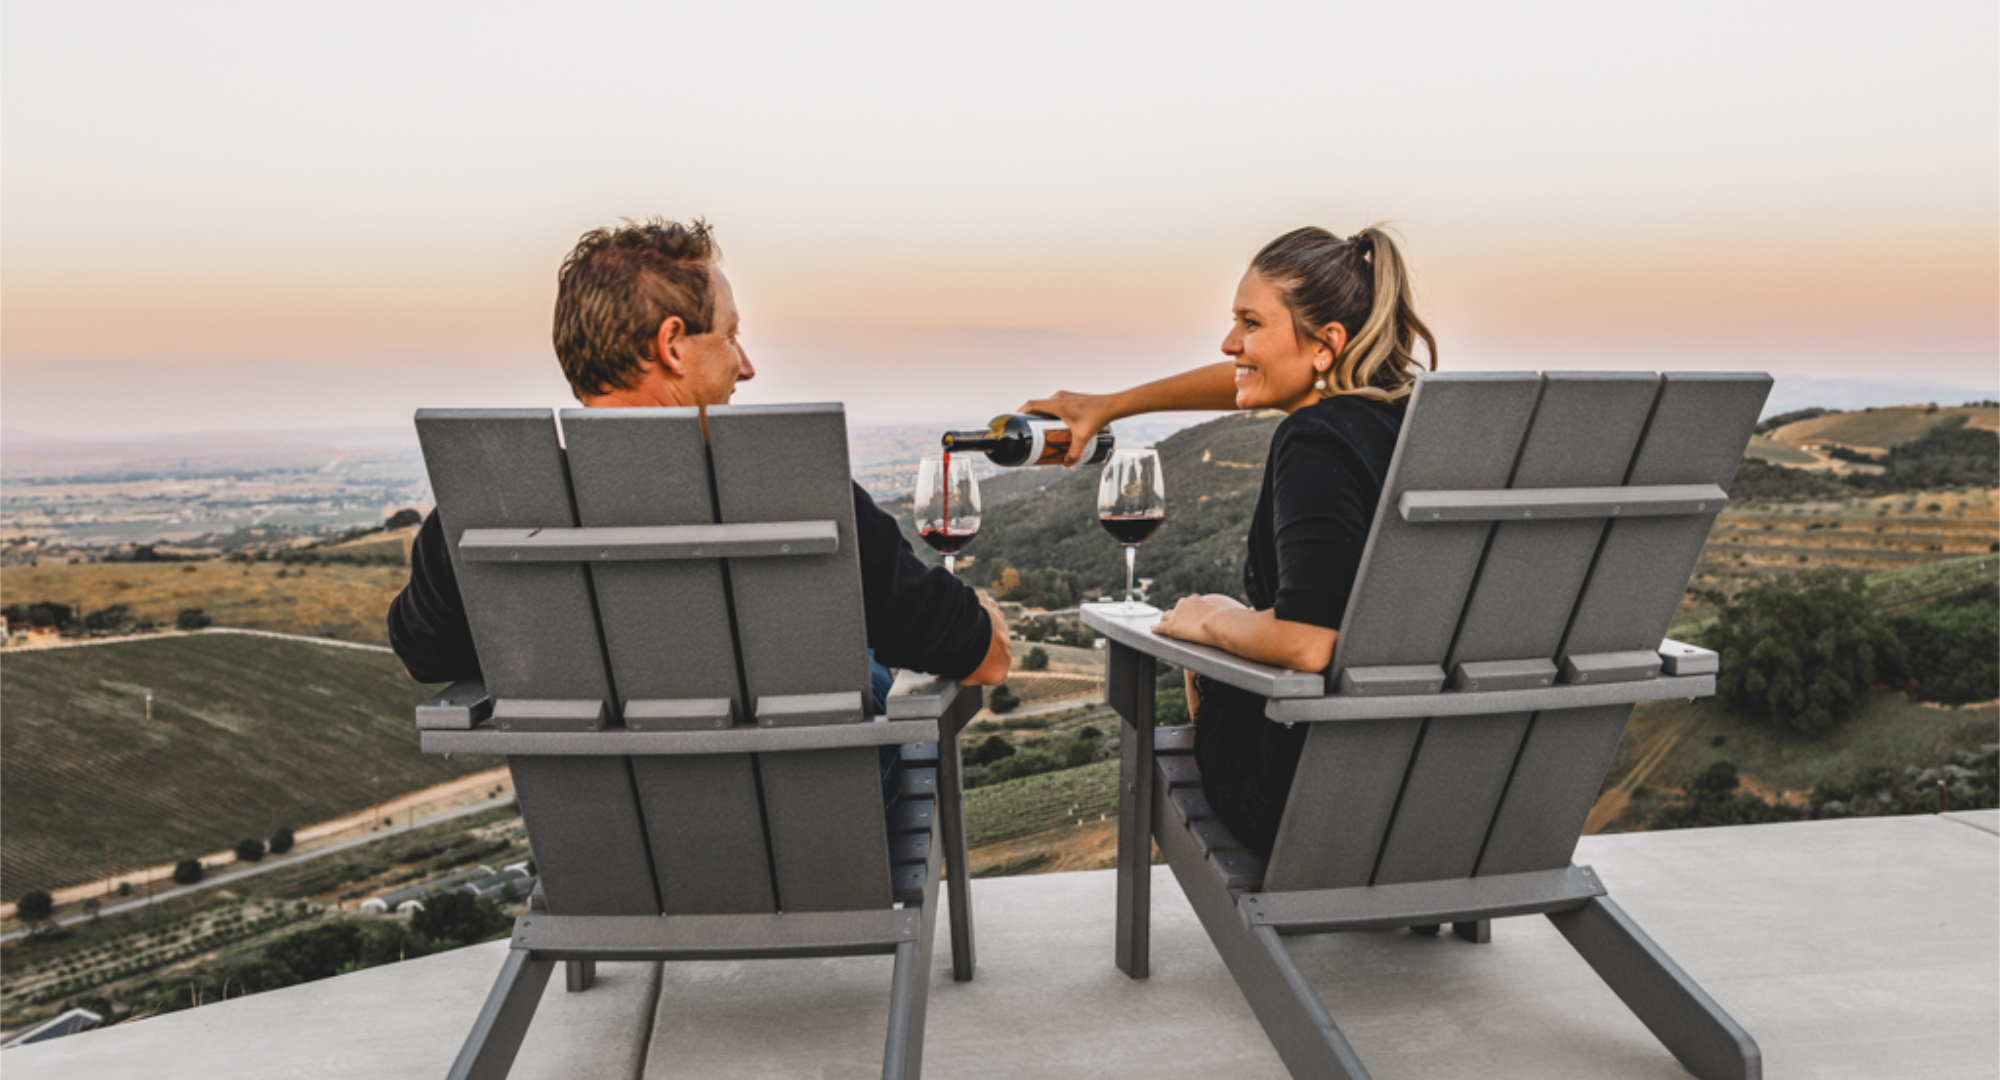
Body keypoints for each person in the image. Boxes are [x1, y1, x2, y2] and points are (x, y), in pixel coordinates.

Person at [389, 218, 1012, 705]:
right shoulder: (794, 487)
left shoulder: (482, 509)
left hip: (600, 850)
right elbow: (988, 659)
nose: (745, 365)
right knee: (864, 668)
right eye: (730, 335)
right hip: (819, 846)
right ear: (672, 346)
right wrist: (978, 611)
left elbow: (425, 660)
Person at [1020, 225, 1434, 857]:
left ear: (1327, 344)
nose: (1229, 342)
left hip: (1313, 807)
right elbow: (1253, 376)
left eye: (1250, 323)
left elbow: (1308, 641)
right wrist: (1112, 404)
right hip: (1429, 787)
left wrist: (1212, 624)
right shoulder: (1418, 419)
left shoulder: (1315, 440)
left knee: (1206, 640)